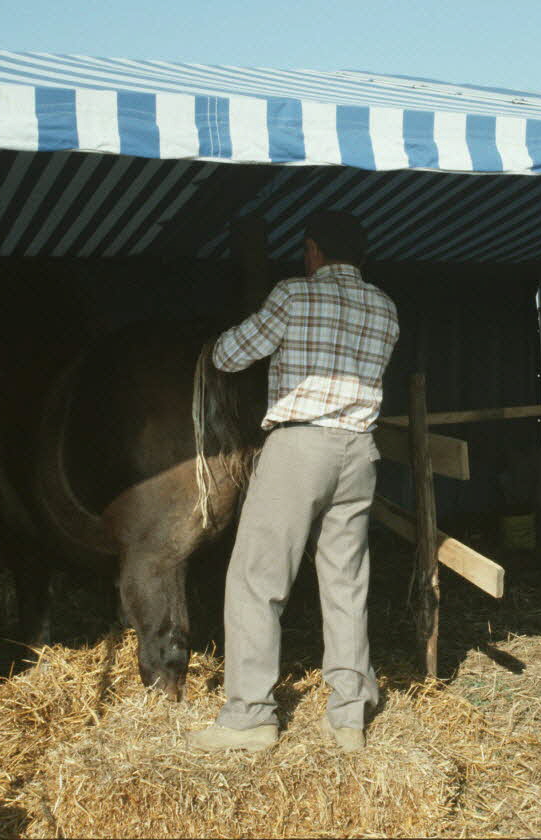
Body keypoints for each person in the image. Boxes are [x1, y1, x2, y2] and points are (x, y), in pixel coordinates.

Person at [186, 210, 400, 754]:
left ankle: (250, 717)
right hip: (359, 451)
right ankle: (349, 717)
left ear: (312, 251)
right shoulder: (385, 307)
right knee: (346, 583)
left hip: (300, 446)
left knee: (258, 580)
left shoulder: (294, 294)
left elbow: (231, 356)